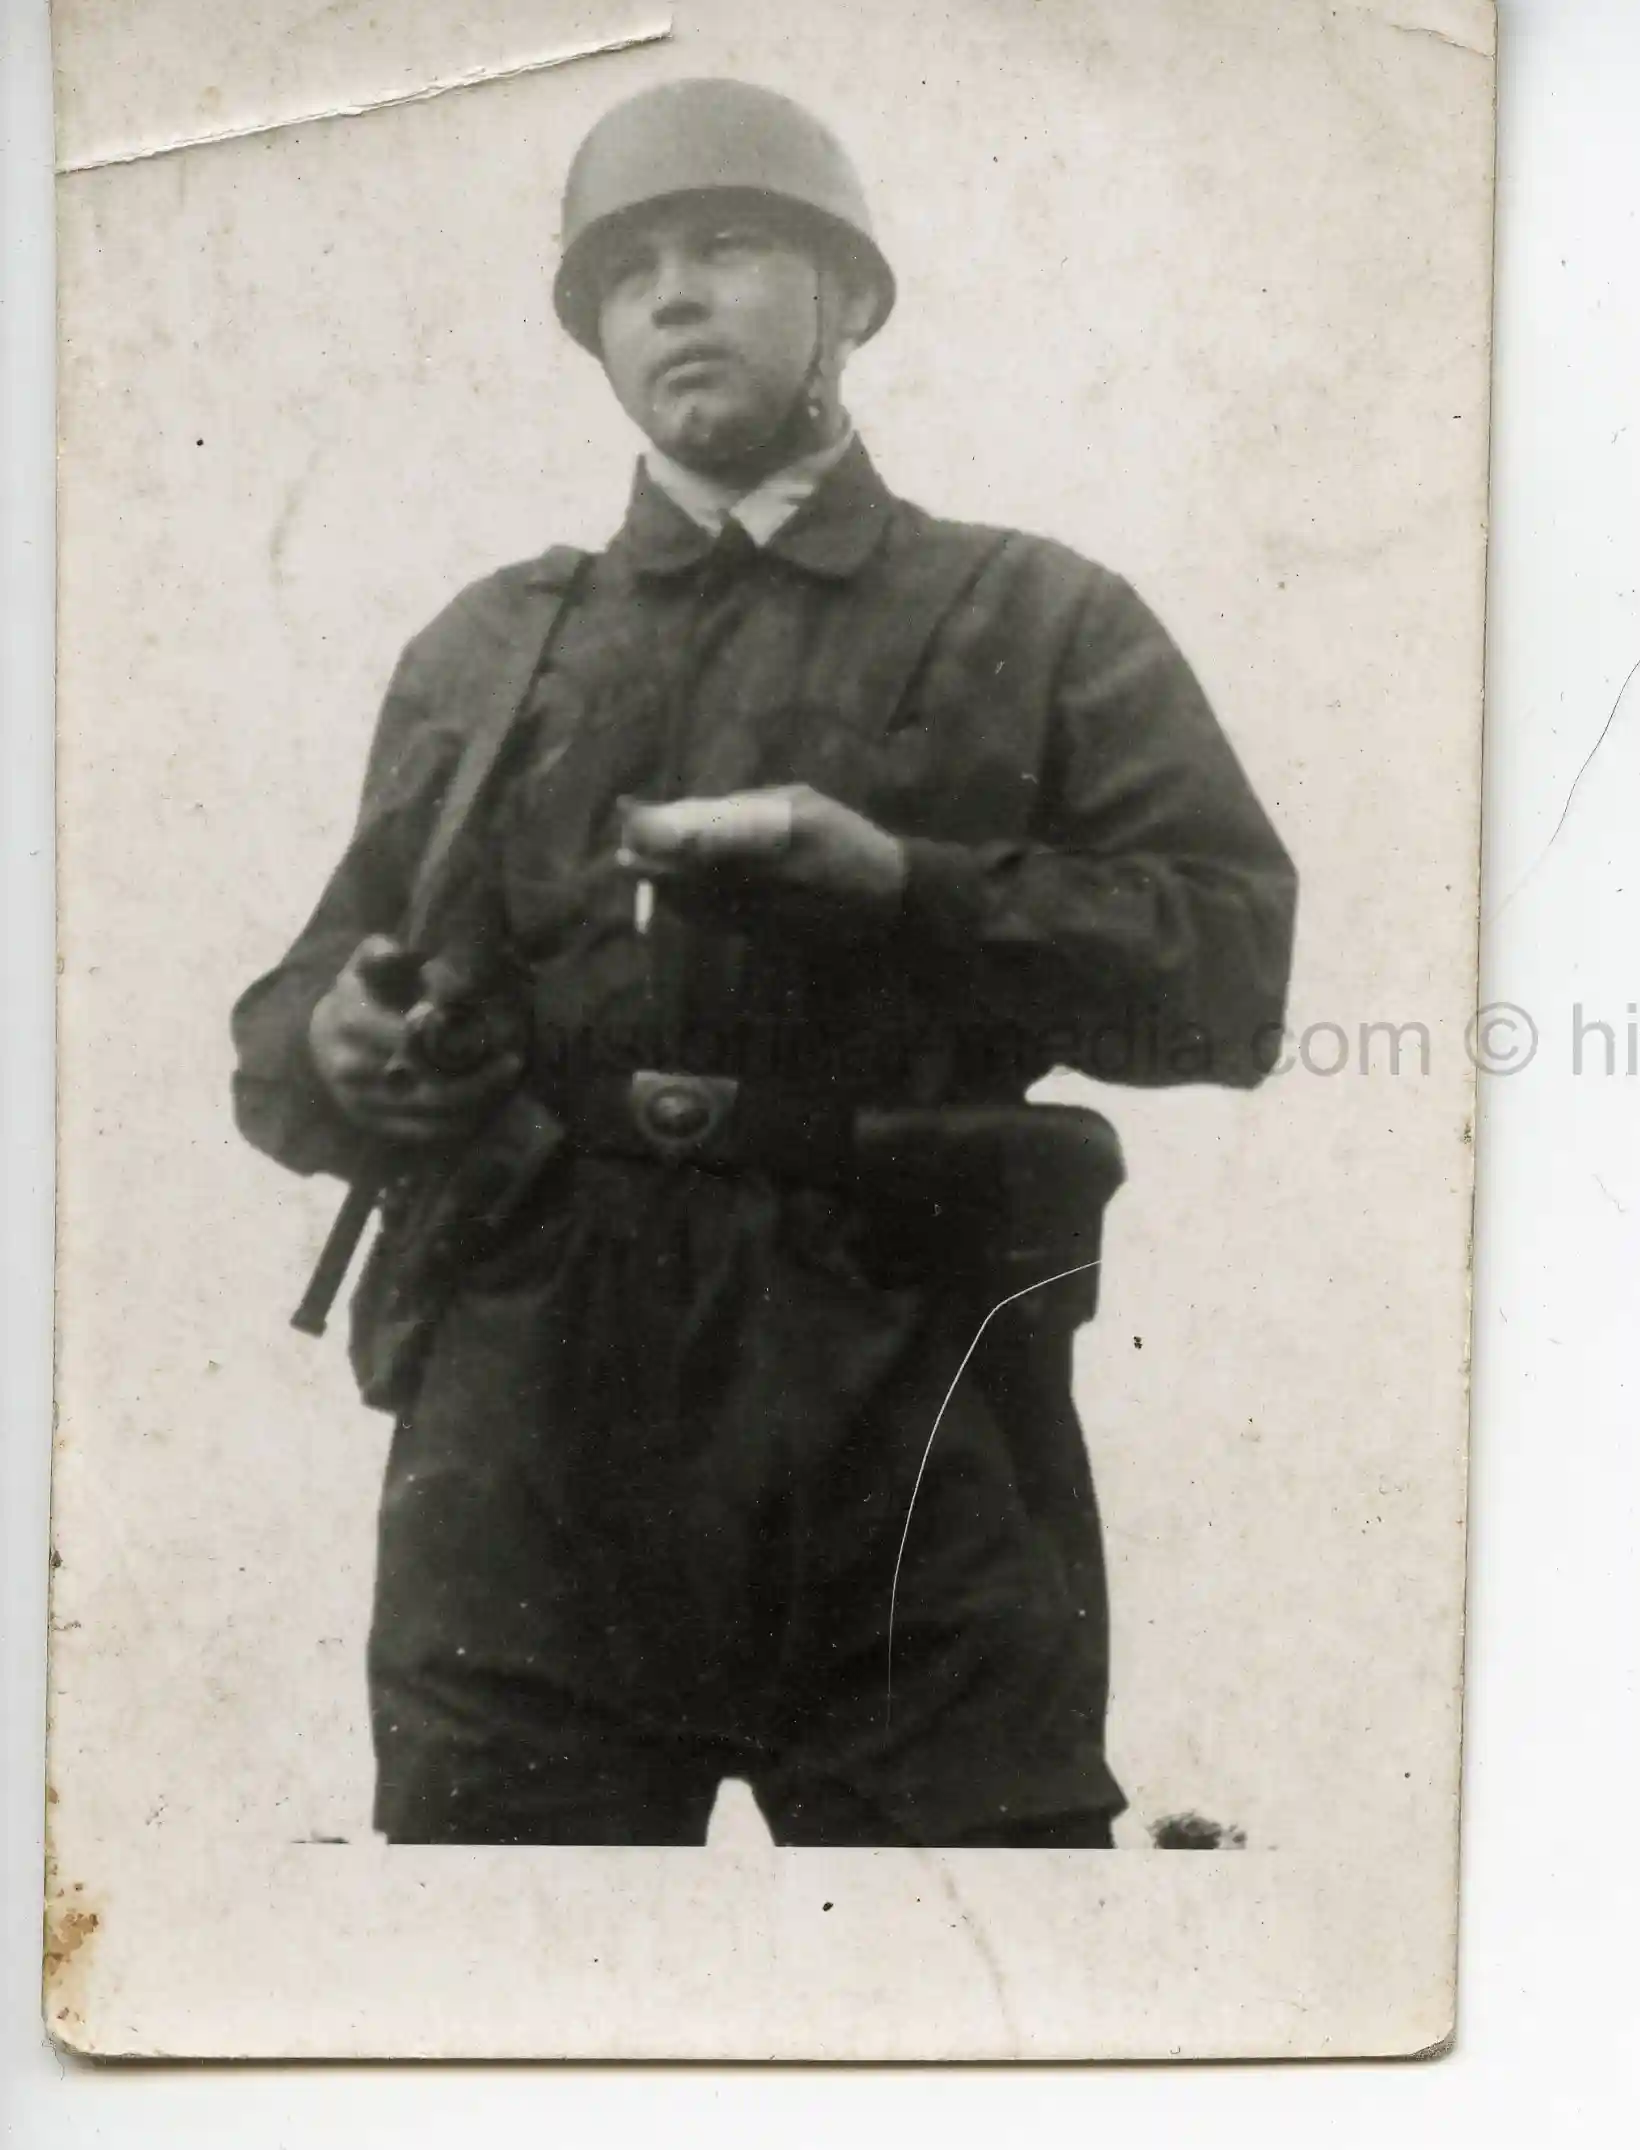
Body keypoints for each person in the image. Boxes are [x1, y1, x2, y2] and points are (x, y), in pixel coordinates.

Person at [228, 78, 1297, 1847]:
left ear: (850, 300)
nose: (672, 294)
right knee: (493, 2016)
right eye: (626, 269)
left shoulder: (1037, 618)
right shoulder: (494, 646)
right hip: (524, 1448)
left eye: (727, 245)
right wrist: (334, 1045)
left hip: (905, 1418)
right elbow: (316, 997)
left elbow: (1230, 976)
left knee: (972, 1999)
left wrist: (901, 882)